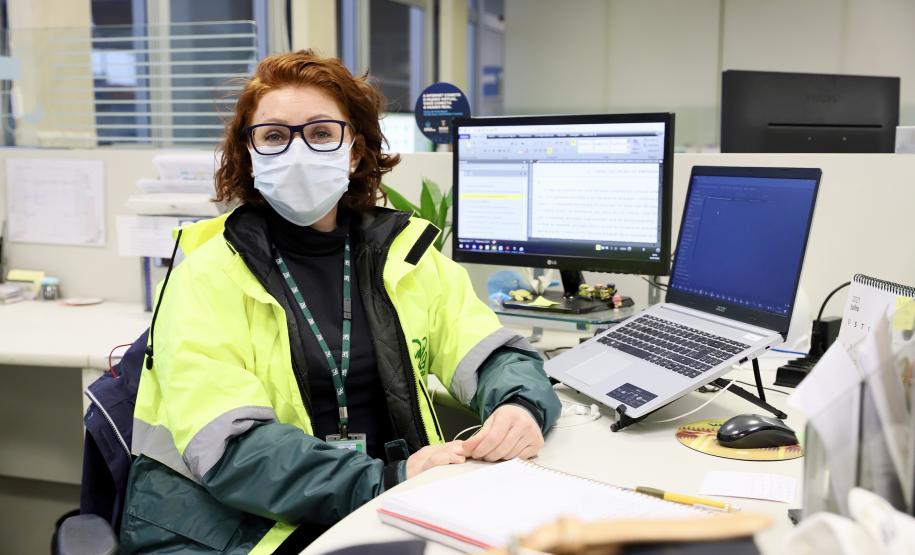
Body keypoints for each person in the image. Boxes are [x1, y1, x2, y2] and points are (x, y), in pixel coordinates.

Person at [119, 49, 561, 554]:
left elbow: (493, 354)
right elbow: (235, 452)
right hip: (237, 528)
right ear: (250, 154)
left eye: (322, 132)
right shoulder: (207, 274)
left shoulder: (404, 258)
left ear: (354, 151)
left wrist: (521, 407)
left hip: (383, 505)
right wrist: (391, 478)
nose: (298, 151)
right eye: (274, 136)